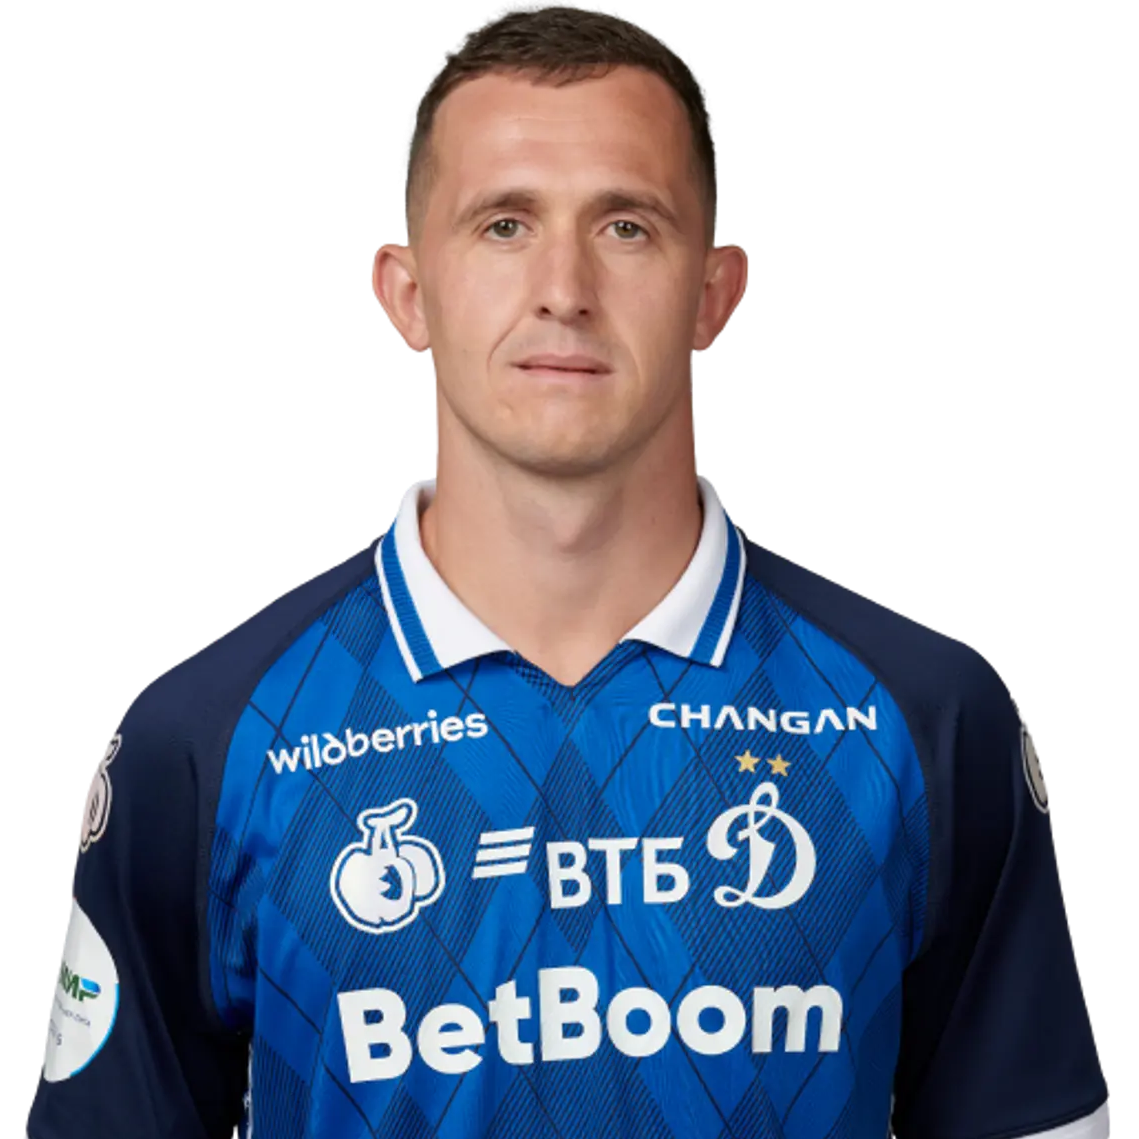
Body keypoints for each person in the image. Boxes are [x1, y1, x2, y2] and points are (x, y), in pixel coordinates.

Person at [26, 1, 1108, 1136]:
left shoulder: (924, 718)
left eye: (626, 226)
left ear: (713, 292)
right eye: (503, 225)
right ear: (406, 293)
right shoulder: (203, 741)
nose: (564, 287)